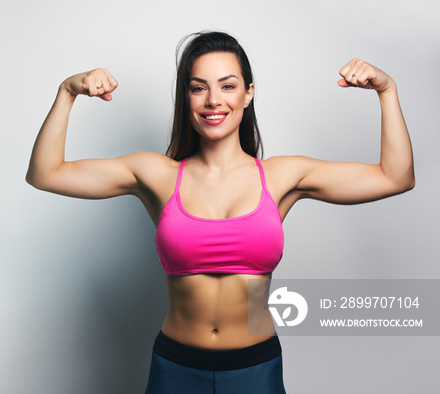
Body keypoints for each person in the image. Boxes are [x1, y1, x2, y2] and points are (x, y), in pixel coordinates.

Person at [25, 31, 414, 393]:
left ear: (248, 94)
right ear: (187, 97)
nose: (214, 100)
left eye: (228, 86)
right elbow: (45, 174)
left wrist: (387, 90)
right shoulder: (157, 175)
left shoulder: (281, 176)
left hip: (255, 369)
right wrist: (67, 92)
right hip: (175, 368)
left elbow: (395, 177)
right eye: (199, 88)